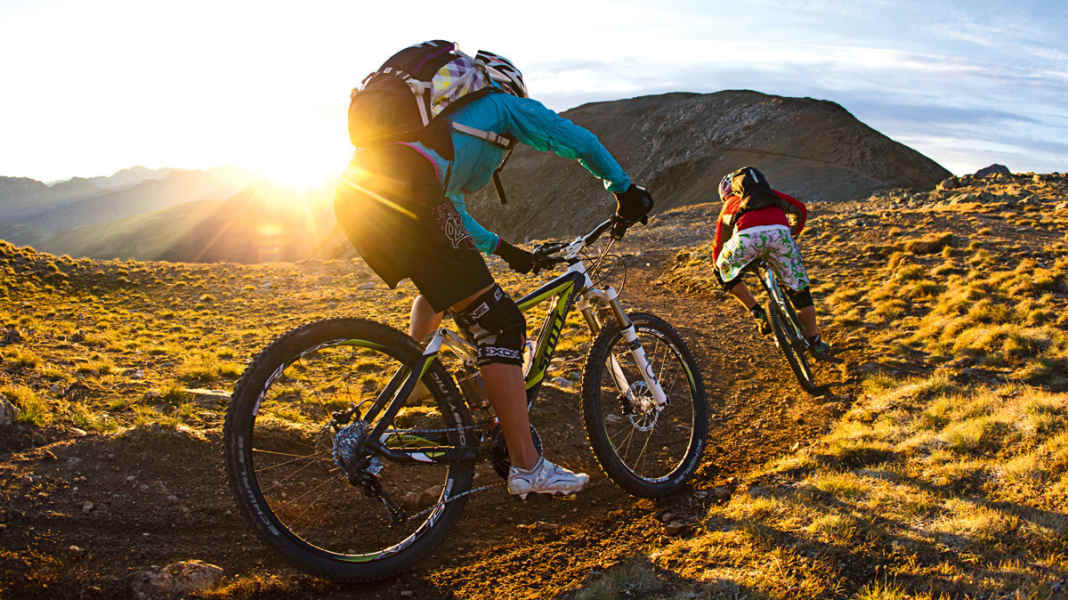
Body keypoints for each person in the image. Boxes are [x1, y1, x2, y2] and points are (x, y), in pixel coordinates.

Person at [334, 45, 653, 499]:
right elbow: (578, 142)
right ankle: (528, 466)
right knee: (502, 324)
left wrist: (507, 250)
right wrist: (624, 189)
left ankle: (425, 380)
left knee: (444, 292)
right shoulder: (501, 105)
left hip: (359, 194)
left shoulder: (435, 132)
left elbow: (454, 212)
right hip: (407, 195)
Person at [711, 166, 830, 358]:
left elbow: (719, 246)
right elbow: (800, 209)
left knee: (721, 270)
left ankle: (757, 312)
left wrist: (722, 268)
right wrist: (792, 233)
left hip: (747, 239)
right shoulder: (770, 194)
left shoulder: (729, 205)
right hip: (779, 234)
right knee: (800, 291)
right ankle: (815, 342)